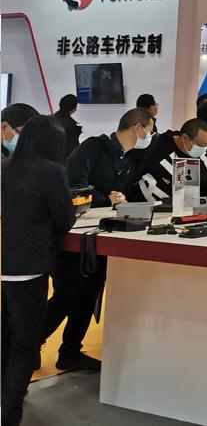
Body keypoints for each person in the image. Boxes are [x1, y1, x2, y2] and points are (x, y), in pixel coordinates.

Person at [45, 108, 153, 374]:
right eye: (149, 130)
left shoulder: (130, 158)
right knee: (66, 296)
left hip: (101, 237)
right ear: (138, 128)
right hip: (72, 237)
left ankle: (70, 351)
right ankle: (24, 349)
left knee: (89, 294)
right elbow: (73, 188)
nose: (150, 136)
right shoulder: (92, 148)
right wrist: (107, 198)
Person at [2, 116, 76, 425]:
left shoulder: (5, 168)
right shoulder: (52, 172)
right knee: (25, 346)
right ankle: (9, 414)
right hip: (29, 269)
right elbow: (65, 220)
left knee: (6, 338)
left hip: (5, 264)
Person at [131, 119, 207, 200]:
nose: (204, 149)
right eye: (202, 145)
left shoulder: (204, 158)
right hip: (142, 206)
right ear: (185, 138)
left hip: (188, 207)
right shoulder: (156, 144)